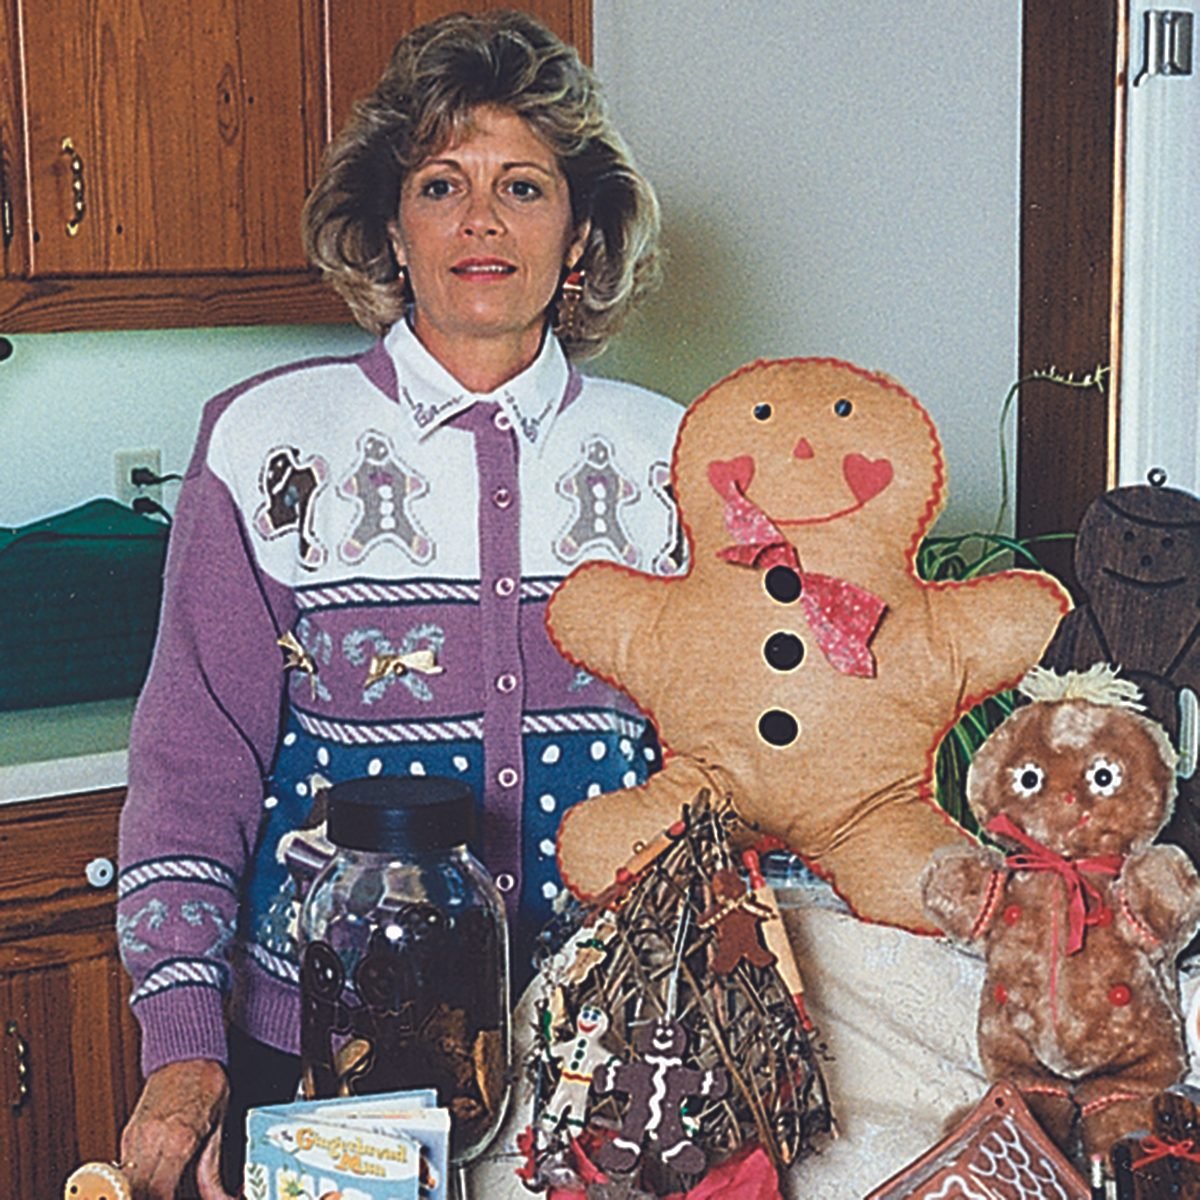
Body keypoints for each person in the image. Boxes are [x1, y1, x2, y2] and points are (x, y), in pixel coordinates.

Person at [115, 12, 682, 1198]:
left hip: (607, 1049)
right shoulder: (268, 437)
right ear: (391, 226)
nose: (482, 220)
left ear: (580, 234)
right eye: (441, 183)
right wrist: (182, 1050)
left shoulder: (670, 455)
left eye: (523, 186)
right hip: (329, 1052)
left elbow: (724, 762)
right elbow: (191, 766)